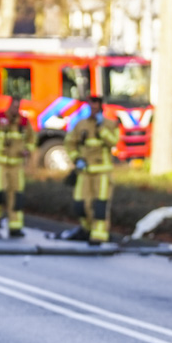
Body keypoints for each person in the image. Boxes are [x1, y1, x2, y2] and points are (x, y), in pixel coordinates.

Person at [67, 96, 118, 245]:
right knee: (80, 204)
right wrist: (77, 159)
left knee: (100, 205)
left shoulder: (110, 124)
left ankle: (99, 235)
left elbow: (113, 142)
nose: (93, 109)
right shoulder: (81, 124)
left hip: (102, 172)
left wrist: (101, 128)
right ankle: (87, 229)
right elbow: (70, 143)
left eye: (96, 107)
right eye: (91, 107)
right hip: (84, 172)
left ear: (101, 107)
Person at [0, 95, 33, 238]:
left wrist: (27, 149)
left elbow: (32, 138)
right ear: (10, 105)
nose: (16, 109)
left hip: (16, 165)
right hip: (0, 163)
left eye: (18, 106)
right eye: (14, 106)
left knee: (16, 196)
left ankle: (15, 227)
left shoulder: (23, 122)